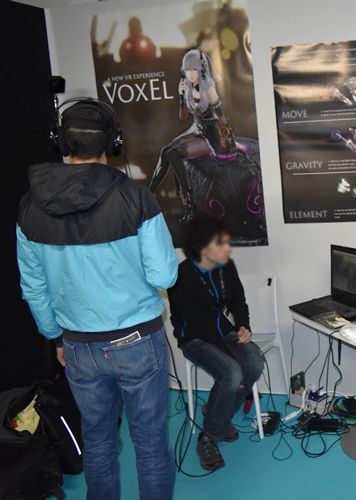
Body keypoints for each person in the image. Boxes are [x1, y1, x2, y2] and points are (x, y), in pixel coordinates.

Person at [16, 99, 178, 500]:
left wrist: (55, 336)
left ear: (60, 141)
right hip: (137, 343)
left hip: (77, 347)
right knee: (150, 444)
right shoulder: (136, 198)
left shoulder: (30, 207)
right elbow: (164, 276)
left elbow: (33, 287)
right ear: (114, 142)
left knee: (98, 441)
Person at [167, 214, 265, 471]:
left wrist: (243, 327)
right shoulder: (182, 276)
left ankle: (216, 413)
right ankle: (208, 438)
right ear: (202, 247)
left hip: (222, 332)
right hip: (194, 338)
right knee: (232, 373)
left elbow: (238, 301)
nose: (227, 248)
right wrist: (233, 357)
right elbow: (199, 325)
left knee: (254, 363)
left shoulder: (226, 267)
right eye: (220, 243)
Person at [149, 48, 238, 223]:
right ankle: (148, 194)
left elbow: (222, 118)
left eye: (194, 69)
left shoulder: (209, 89)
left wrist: (230, 142)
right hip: (196, 129)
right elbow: (183, 119)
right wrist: (181, 96)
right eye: (187, 69)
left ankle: (190, 206)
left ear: (201, 69)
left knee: (173, 153)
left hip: (212, 135)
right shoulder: (187, 87)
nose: (190, 73)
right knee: (165, 150)